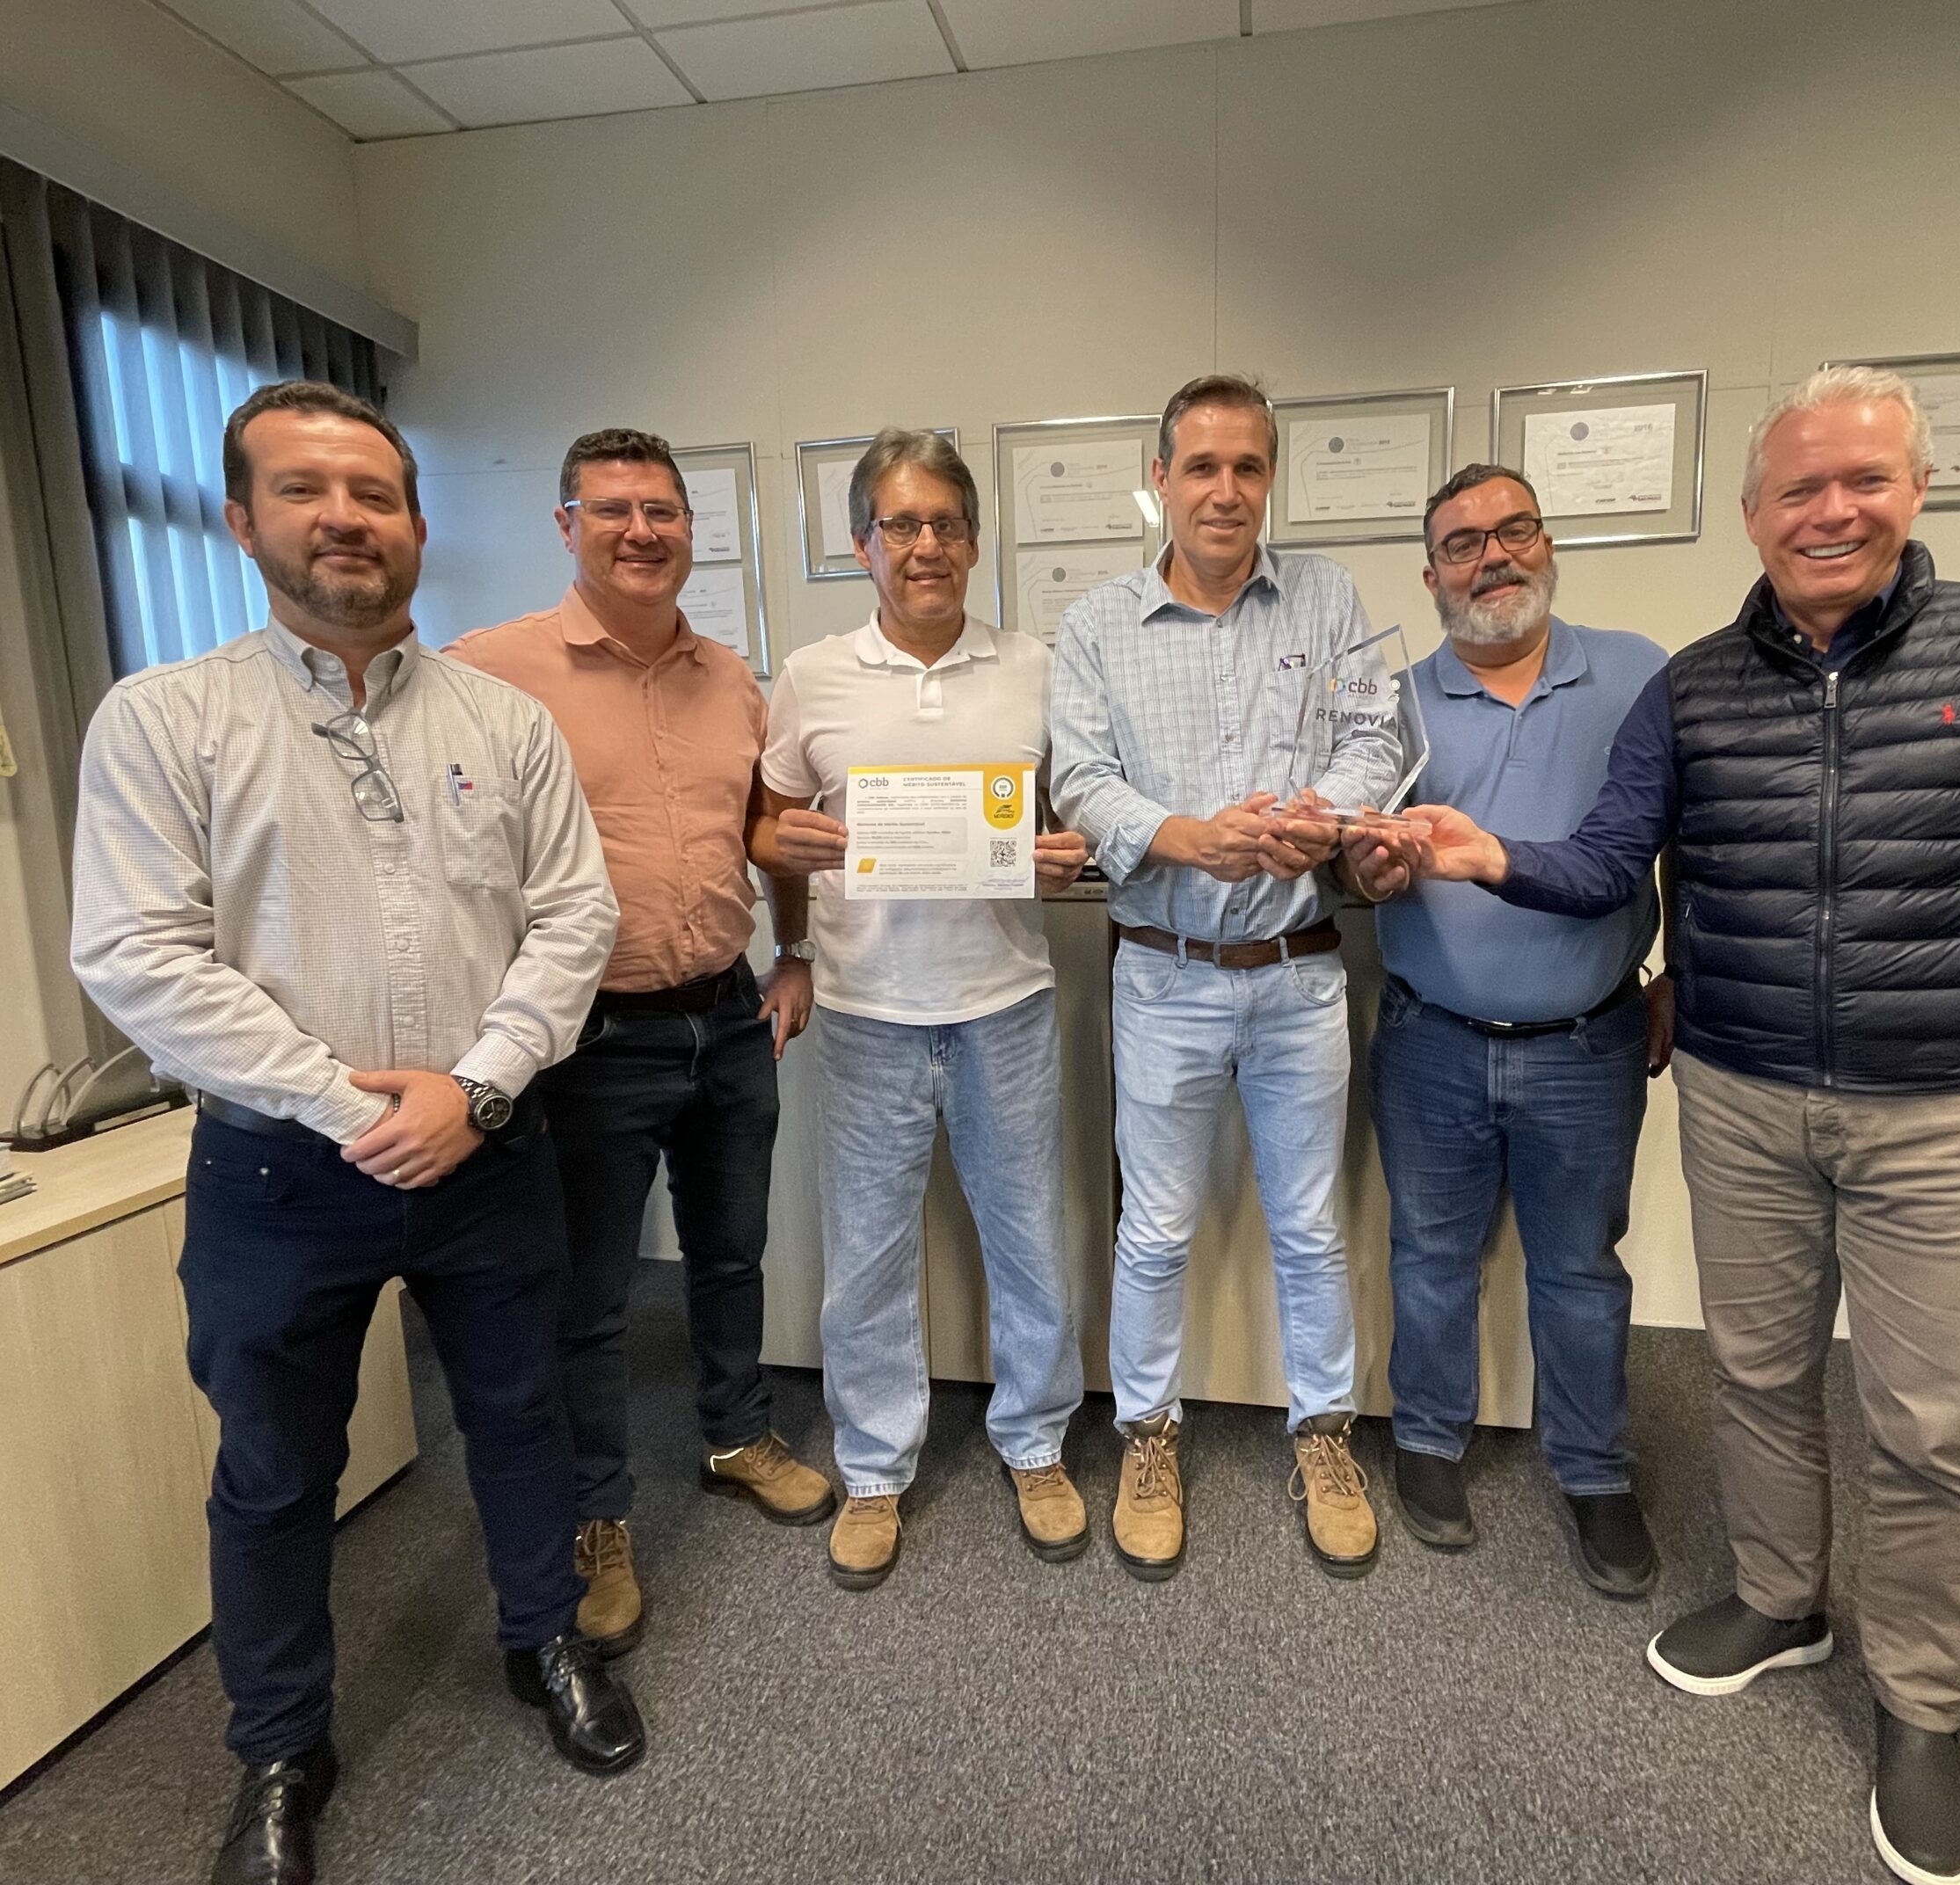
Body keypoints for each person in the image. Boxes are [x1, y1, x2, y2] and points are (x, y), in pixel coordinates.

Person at [1403, 365, 1960, 1885]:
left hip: (1947, 1103)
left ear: (1915, 492)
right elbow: (1615, 854)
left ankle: (1923, 1706)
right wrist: (1490, 857)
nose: (1832, 511)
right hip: (1742, 1090)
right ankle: (1779, 1598)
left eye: (1863, 480)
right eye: (1800, 488)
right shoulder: (1695, 686)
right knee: (1756, 1373)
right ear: (1753, 515)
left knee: (1929, 1420)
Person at [69, 382, 646, 1885]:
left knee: (521, 1416)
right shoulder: (165, 720)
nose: (344, 519)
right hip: (277, 1171)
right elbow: (138, 954)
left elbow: (573, 918)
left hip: (488, 1152)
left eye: (374, 494)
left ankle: (547, 1640)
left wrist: (479, 1087)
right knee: (273, 1468)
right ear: (239, 518)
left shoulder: (502, 722)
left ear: (417, 523)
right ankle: (279, 1745)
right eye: (304, 490)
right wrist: (350, 1106)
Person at [451, 428, 831, 1658]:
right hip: (587, 1038)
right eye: (612, 509)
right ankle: (593, 1514)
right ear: (566, 524)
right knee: (592, 1292)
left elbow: (769, 829)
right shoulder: (489, 671)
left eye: (662, 511)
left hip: (726, 1012)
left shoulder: (733, 679)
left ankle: (736, 1433)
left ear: (688, 529)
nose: (641, 531)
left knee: (731, 1253)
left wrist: (794, 951)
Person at [1050, 374, 1398, 1582]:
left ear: (1269, 477)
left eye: (1248, 465)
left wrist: (1318, 817)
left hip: (1300, 972)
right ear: (1160, 480)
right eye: (1200, 465)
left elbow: (1377, 735)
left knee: (1309, 1224)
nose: (1225, 489)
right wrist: (1188, 835)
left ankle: (1323, 1434)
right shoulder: (1096, 624)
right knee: (1154, 1228)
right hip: (1165, 973)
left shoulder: (1330, 597)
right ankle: (1148, 1436)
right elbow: (1079, 777)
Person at [750, 428, 1089, 1590]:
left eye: (946, 523)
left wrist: (1064, 856)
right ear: (863, 543)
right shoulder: (811, 675)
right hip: (864, 1011)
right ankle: (875, 1467)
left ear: (975, 542)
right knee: (867, 1256)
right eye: (901, 524)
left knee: (1029, 1240)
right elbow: (769, 826)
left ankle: (1036, 1442)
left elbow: (1072, 821)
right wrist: (787, 912)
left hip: (1005, 1003)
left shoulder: (1037, 666)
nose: (926, 544)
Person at [1337, 463, 1670, 1594]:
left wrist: (1682, 970)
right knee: (1431, 1255)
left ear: (1547, 542)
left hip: (1588, 1040)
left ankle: (1595, 1469)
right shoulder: (1386, 702)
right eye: (1463, 543)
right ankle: (1428, 1439)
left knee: (1579, 1269)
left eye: (1512, 530)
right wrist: (1371, 870)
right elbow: (1360, 866)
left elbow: (1692, 839)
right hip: (1431, 1035)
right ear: (1431, 575)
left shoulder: (1636, 673)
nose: (1493, 557)